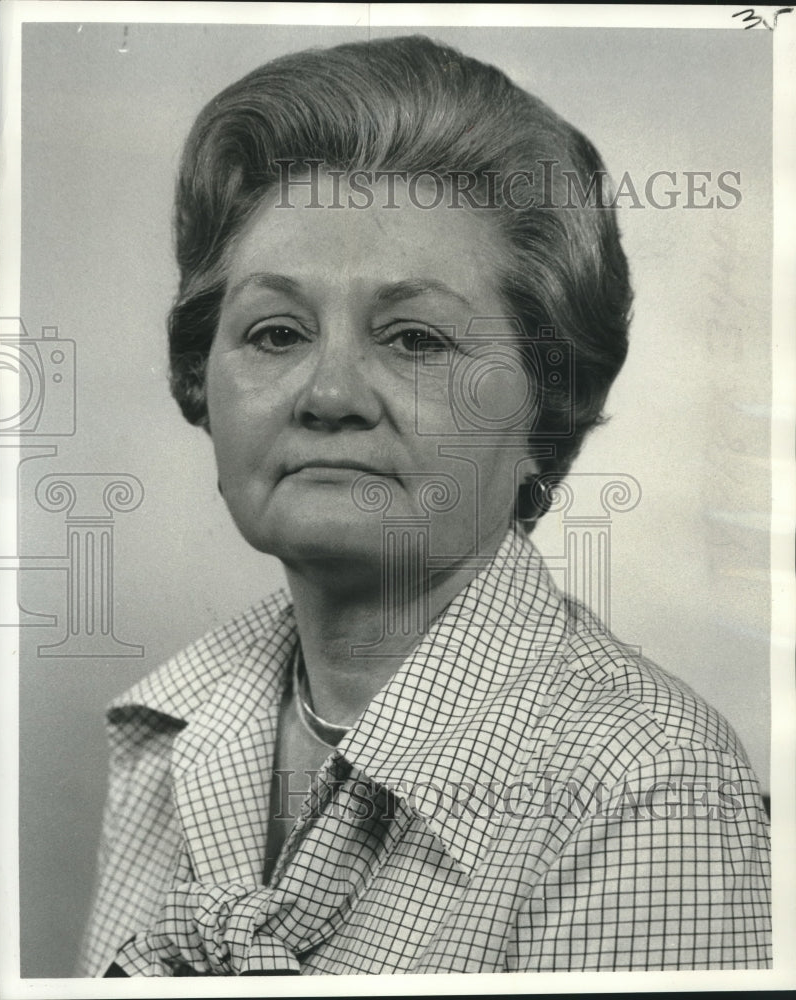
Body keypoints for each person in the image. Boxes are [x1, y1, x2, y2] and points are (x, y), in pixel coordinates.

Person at [77, 35, 771, 976]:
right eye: (275, 332)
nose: (329, 396)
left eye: (414, 340)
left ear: (545, 408)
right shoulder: (175, 728)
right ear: (202, 380)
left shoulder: (648, 788)